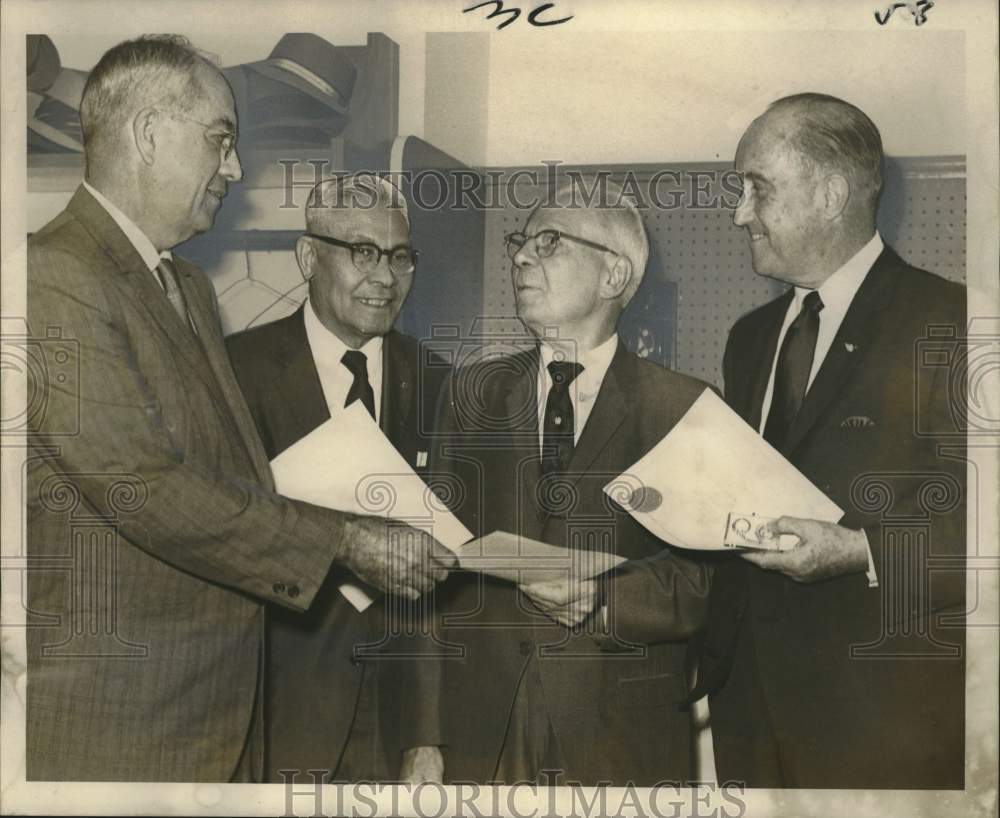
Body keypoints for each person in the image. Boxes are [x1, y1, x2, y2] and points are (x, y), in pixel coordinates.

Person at [25, 35, 453, 783]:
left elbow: (229, 473)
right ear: (149, 133)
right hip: (124, 715)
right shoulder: (54, 277)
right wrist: (347, 540)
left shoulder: (184, 285)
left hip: (213, 712)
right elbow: (145, 484)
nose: (236, 169)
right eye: (220, 141)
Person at [691, 93, 966, 789]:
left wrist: (860, 551)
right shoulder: (749, 340)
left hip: (879, 712)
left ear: (831, 194)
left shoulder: (953, 323)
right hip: (747, 701)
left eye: (759, 189)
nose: (738, 213)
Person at [432, 180, 713, 786]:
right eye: (520, 243)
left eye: (549, 242)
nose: (520, 257)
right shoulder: (470, 393)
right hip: (483, 727)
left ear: (614, 275)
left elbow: (704, 579)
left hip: (620, 733)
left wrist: (606, 599)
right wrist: (421, 735)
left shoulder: (684, 406)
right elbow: (428, 564)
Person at [226, 174, 448, 784]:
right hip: (274, 719)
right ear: (307, 256)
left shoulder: (440, 383)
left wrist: (426, 735)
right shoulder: (233, 372)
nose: (385, 276)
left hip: (396, 728)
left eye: (400, 256)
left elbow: (444, 586)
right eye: (362, 252)